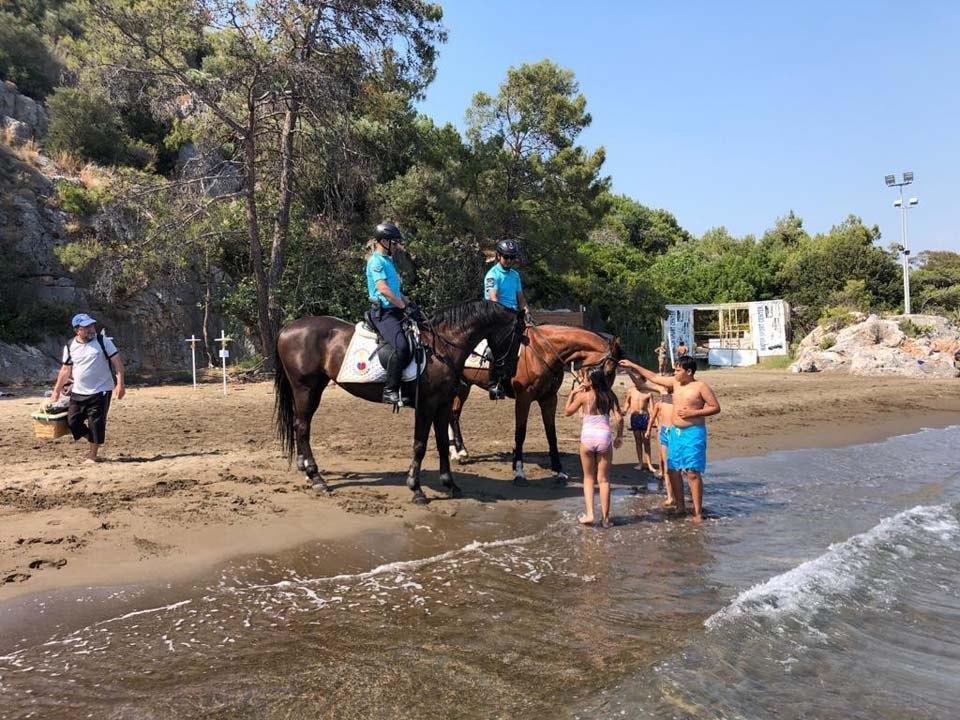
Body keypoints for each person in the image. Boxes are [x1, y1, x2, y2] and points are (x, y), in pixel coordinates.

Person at [620, 355, 720, 522]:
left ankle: (697, 512)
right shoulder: (674, 383)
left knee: (692, 472)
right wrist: (632, 365)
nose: (675, 373)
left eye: (678, 370)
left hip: (693, 432)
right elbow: (653, 377)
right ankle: (680, 506)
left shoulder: (700, 386)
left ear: (688, 371)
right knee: (672, 470)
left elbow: (715, 407)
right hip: (675, 433)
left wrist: (693, 413)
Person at [50, 313, 125, 463]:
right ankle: (93, 438)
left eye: (92, 326)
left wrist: (120, 384)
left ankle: (93, 454)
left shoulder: (103, 342)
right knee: (72, 422)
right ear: (77, 330)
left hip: (101, 390)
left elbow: (117, 362)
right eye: (87, 327)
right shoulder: (70, 345)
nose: (92, 329)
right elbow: (65, 370)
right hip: (78, 391)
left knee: (95, 422)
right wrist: (56, 391)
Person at [366, 221, 421, 405]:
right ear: (383, 241)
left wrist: (409, 304)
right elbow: (383, 289)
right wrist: (402, 306)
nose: (396, 245)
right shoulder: (375, 262)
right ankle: (390, 390)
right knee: (401, 346)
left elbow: (396, 291)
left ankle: (409, 387)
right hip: (383, 313)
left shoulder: (388, 261)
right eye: (394, 242)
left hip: (395, 309)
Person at [564, 366, 623, 528]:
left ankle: (590, 514)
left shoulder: (584, 396)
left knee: (588, 477)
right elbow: (619, 418)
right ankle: (606, 519)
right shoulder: (610, 395)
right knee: (604, 480)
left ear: (591, 381)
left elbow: (567, 411)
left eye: (587, 378)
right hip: (604, 437)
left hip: (588, 436)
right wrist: (619, 436)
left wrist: (573, 393)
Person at [484, 238, 531, 400]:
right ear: (498, 256)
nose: (510, 260)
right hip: (496, 317)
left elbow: (520, 297)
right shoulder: (492, 275)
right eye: (506, 257)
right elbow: (493, 300)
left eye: (512, 257)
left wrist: (526, 309)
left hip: (514, 317)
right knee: (501, 346)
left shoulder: (515, 275)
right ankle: (494, 384)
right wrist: (508, 317)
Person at [622, 384, 656, 474]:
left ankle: (649, 464)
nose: (636, 382)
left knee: (646, 441)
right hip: (635, 416)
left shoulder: (648, 393)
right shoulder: (631, 391)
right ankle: (640, 462)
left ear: (643, 380)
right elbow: (627, 402)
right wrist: (625, 411)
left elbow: (652, 408)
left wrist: (654, 420)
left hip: (645, 417)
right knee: (638, 440)